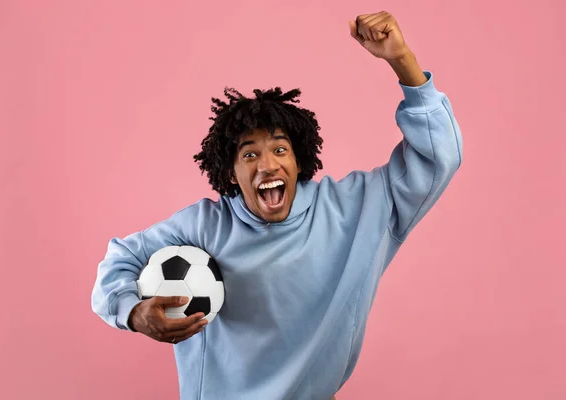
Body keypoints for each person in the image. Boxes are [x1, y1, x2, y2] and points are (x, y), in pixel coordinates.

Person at [91, 11, 463, 400]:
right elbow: (118, 260)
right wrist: (133, 313)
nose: (268, 164)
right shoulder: (203, 226)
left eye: (280, 149)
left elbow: (438, 158)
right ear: (231, 174)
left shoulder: (358, 210)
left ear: (299, 160)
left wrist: (402, 61)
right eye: (249, 155)